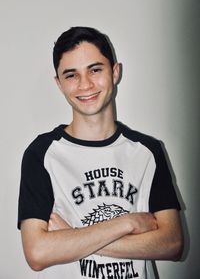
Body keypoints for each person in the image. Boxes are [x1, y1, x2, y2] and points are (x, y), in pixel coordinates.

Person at [18, 26, 183, 279]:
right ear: (59, 84)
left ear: (115, 72)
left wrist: (72, 237)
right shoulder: (42, 154)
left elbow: (172, 244)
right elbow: (38, 253)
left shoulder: (147, 151)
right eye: (71, 75)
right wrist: (127, 224)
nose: (85, 84)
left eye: (95, 70)